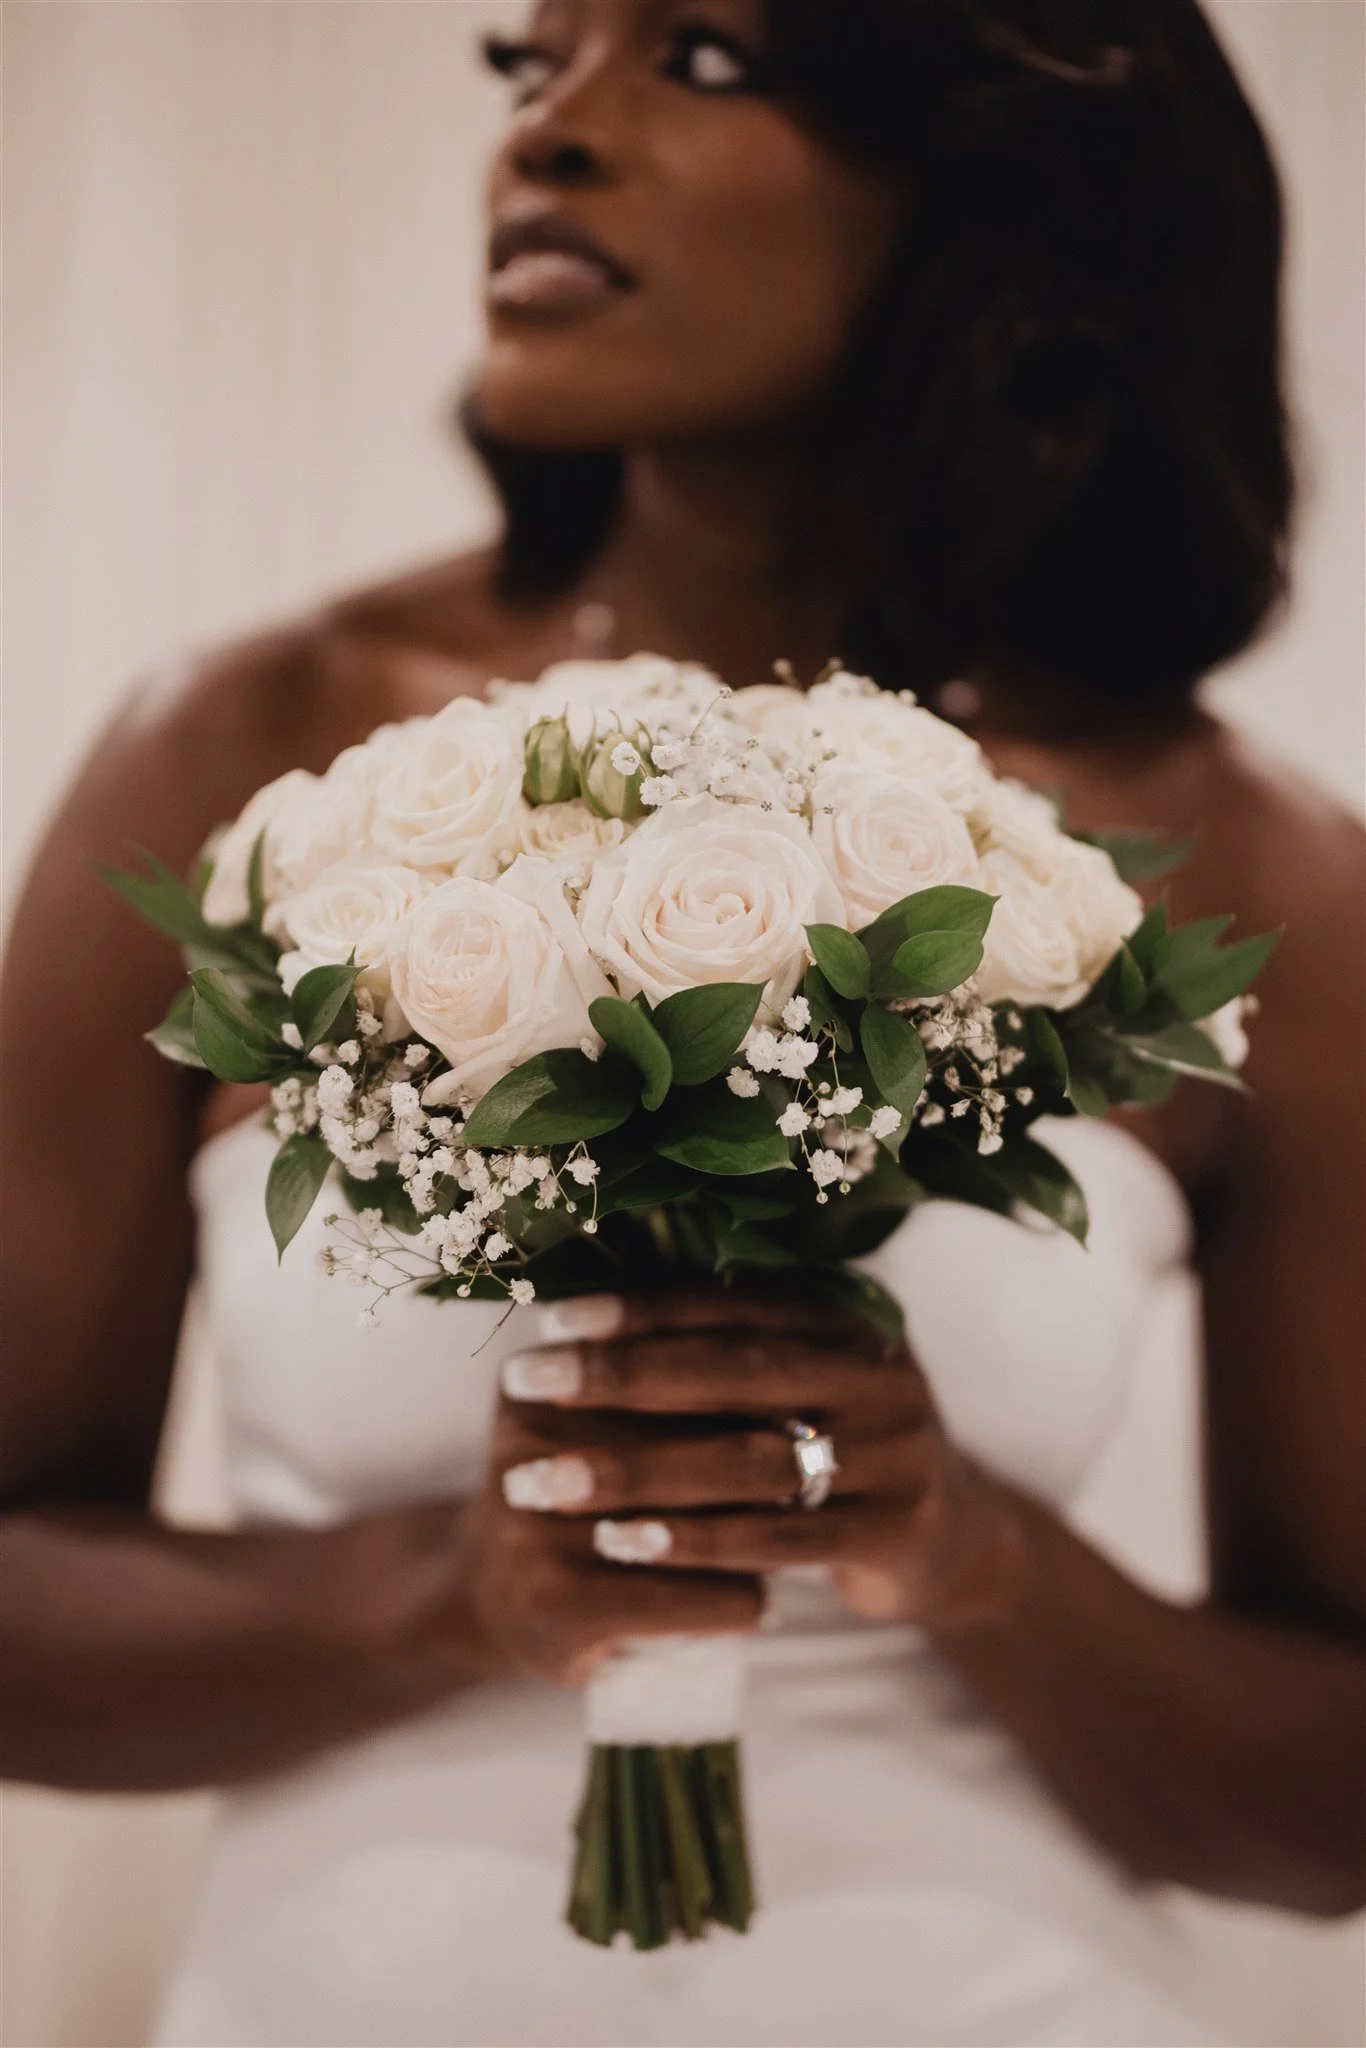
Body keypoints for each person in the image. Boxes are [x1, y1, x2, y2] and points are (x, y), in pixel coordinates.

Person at [3, 2, 1362, 2042]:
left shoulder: (1237, 867)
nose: (549, 130)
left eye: (701, 58)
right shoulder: (252, 748)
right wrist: (439, 1589)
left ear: (990, 189)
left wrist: (975, 1556)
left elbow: (1325, 1810)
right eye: (524, 60)